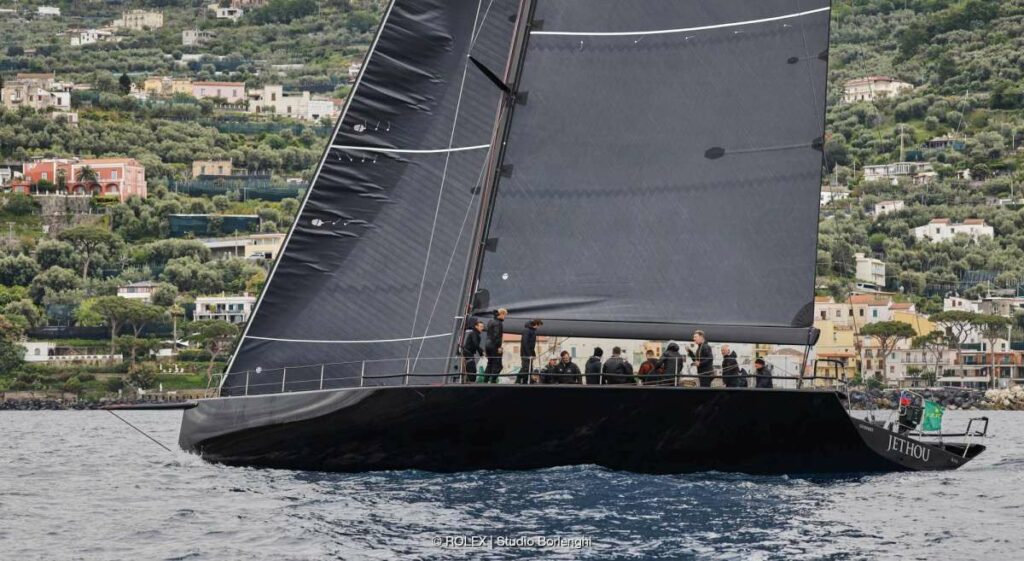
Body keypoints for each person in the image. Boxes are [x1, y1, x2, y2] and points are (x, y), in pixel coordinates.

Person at [484, 308, 507, 383]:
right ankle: (493, 381)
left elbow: (489, 334)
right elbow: (496, 336)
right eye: (505, 315)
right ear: (501, 314)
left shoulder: (490, 321)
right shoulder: (498, 323)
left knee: (490, 363)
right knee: (498, 365)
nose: (505, 317)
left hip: (488, 345)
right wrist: (499, 347)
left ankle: (485, 381)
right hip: (494, 345)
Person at [519, 319, 542, 384]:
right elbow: (525, 343)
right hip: (525, 354)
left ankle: (528, 381)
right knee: (526, 368)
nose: (538, 327)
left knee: (529, 368)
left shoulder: (532, 331)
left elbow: (531, 345)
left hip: (529, 354)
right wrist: (529, 354)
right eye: (538, 325)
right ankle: (524, 382)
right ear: (536, 324)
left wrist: (533, 354)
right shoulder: (527, 330)